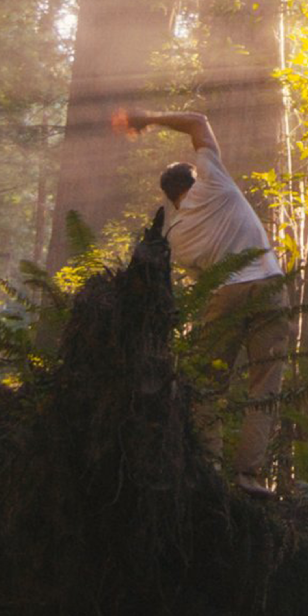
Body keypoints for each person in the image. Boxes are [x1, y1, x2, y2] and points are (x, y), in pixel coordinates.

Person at [120, 110, 286, 498]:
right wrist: (149, 118)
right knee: (265, 383)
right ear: (194, 177)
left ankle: (209, 466)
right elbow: (198, 121)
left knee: (209, 384)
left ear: (169, 196)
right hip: (267, 286)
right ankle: (248, 475)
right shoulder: (215, 182)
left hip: (223, 298)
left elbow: (201, 280)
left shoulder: (176, 236)